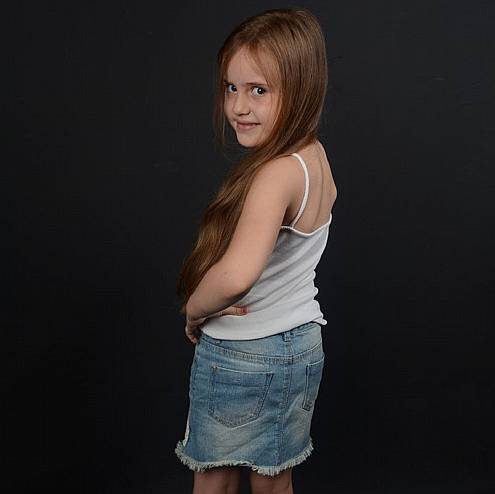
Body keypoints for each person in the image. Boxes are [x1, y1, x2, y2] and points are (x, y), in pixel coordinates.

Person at [174, 7, 338, 494]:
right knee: (275, 483)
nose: (239, 107)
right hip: (301, 346)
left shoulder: (274, 174)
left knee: (215, 484)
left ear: (300, 88)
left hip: (242, 353)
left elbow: (237, 275)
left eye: (259, 90)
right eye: (232, 87)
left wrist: (194, 310)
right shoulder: (313, 158)